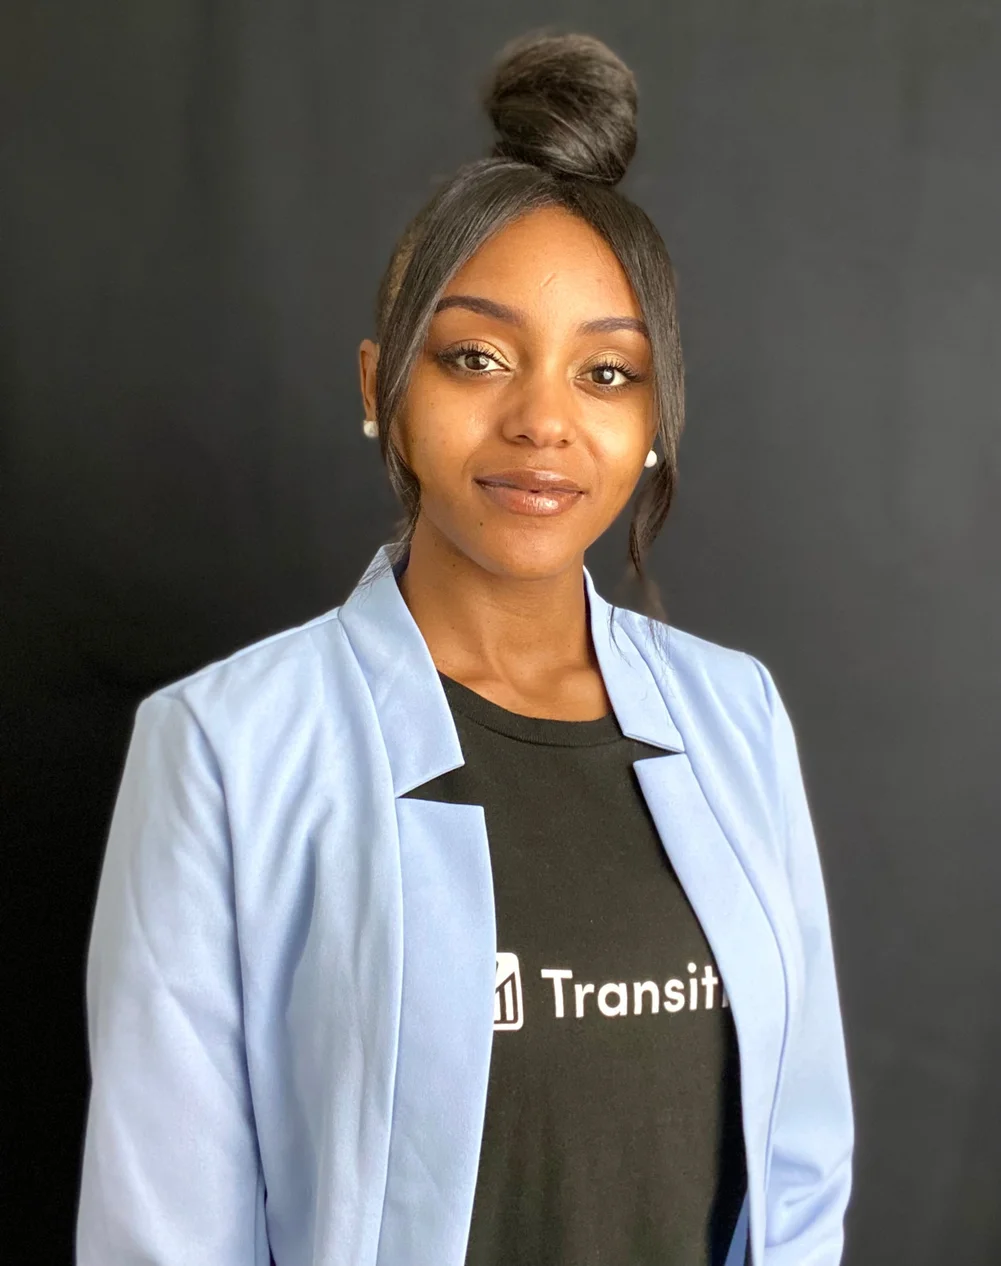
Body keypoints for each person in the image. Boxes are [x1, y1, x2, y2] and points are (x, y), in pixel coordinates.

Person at [76, 30, 853, 1266]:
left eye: (606, 372)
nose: (542, 419)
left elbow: (799, 1171)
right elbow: (162, 1227)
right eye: (476, 356)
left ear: (653, 422)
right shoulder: (225, 747)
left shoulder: (735, 716)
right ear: (383, 385)